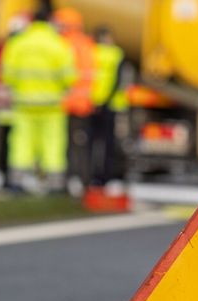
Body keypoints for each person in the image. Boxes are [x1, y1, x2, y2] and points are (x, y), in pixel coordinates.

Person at [2, 4, 76, 193]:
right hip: (51, 105)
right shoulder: (58, 43)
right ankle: (55, 186)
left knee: (21, 143)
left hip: (24, 103)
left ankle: (16, 183)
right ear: (50, 20)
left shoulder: (19, 42)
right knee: (53, 144)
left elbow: (7, 74)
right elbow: (69, 76)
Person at [54, 7, 97, 193]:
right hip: (83, 104)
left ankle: (66, 182)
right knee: (81, 145)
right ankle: (84, 181)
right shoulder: (86, 43)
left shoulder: (62, 44)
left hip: (65, 104)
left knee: (65, 146)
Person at [0, 14, 29, 190]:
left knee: (6, 138)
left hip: (3, 99)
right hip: (15, 100)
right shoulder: (19, 45)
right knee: (15, 139)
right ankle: (10, 176)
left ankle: (6, 175)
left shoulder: (2, 45)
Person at [88, 25, 129, 188]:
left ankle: (93, 176)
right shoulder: (116, 54)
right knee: (108, 143)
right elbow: (118, 80)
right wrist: (107, 100)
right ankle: (106, 175)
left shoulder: (92, 52)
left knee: (93, 143)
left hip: (93, 103)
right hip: (110, 104)